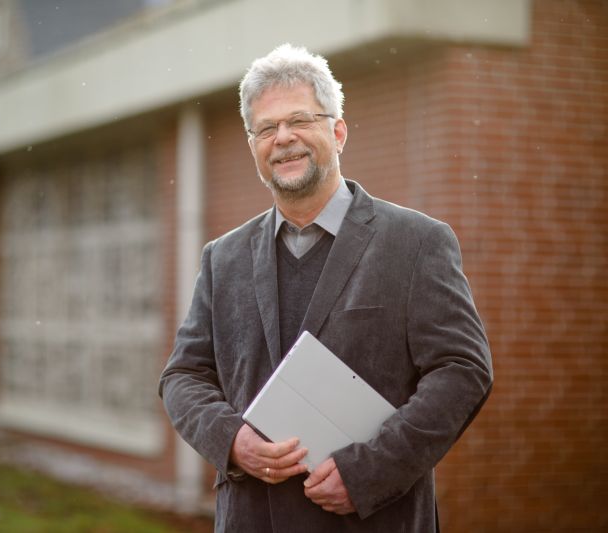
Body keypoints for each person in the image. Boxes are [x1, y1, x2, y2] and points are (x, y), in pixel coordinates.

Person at [159, 43, 492, 532]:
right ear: (253, 145)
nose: (284, 138)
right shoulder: (221, 258)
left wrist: (369, 471)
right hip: (253, 519)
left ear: (337, 132)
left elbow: (462, 370)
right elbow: (182, 377)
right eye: (267, 128)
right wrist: (231, 439)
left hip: (374, 518)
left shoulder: (417, 242)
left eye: (300, 120)